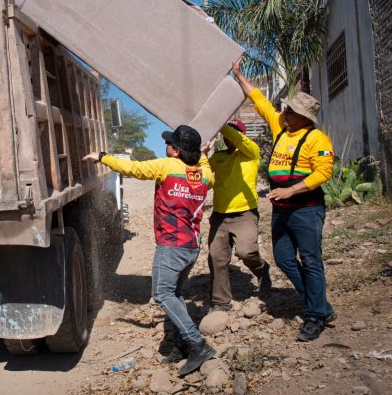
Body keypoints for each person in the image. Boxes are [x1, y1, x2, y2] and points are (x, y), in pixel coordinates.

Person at [83, 125, 216, 375]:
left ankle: (197, 343)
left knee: (163, 294)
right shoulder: (204, 174)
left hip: (171, 244)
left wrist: (101, 157)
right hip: (192, 246)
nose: (165, 147)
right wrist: (205, 153)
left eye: (169, 143)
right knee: (175, 293)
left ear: (175, 150)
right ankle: (181, 345)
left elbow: (134, 169)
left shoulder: (167, 166)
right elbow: (206, 168)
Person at [231, 57, 335, 341]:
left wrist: (290, 191)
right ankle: (321, 305)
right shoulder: (280, 127)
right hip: (282, 211)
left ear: (304, 117)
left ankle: (314, 315)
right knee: (284, 258)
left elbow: (324, 172)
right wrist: (239, 76)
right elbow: (260, 100)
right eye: (287, 108)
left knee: (311, 260)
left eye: (290, 110)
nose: (284, 111)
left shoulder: (318, 140)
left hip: (306, 209)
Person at [205, 119, 271, 313]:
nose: (228, 138)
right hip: (219, 215)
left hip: (244, 213)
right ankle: (221, 303)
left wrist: (219, 122)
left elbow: (236, 137)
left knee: (246, 252)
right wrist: (201, 155)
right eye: (225, 135)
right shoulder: (217, 158)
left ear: (242, 136)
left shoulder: (251, 153)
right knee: (216, 257)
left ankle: (261, 270)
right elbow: (206, 179)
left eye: (232, 134)